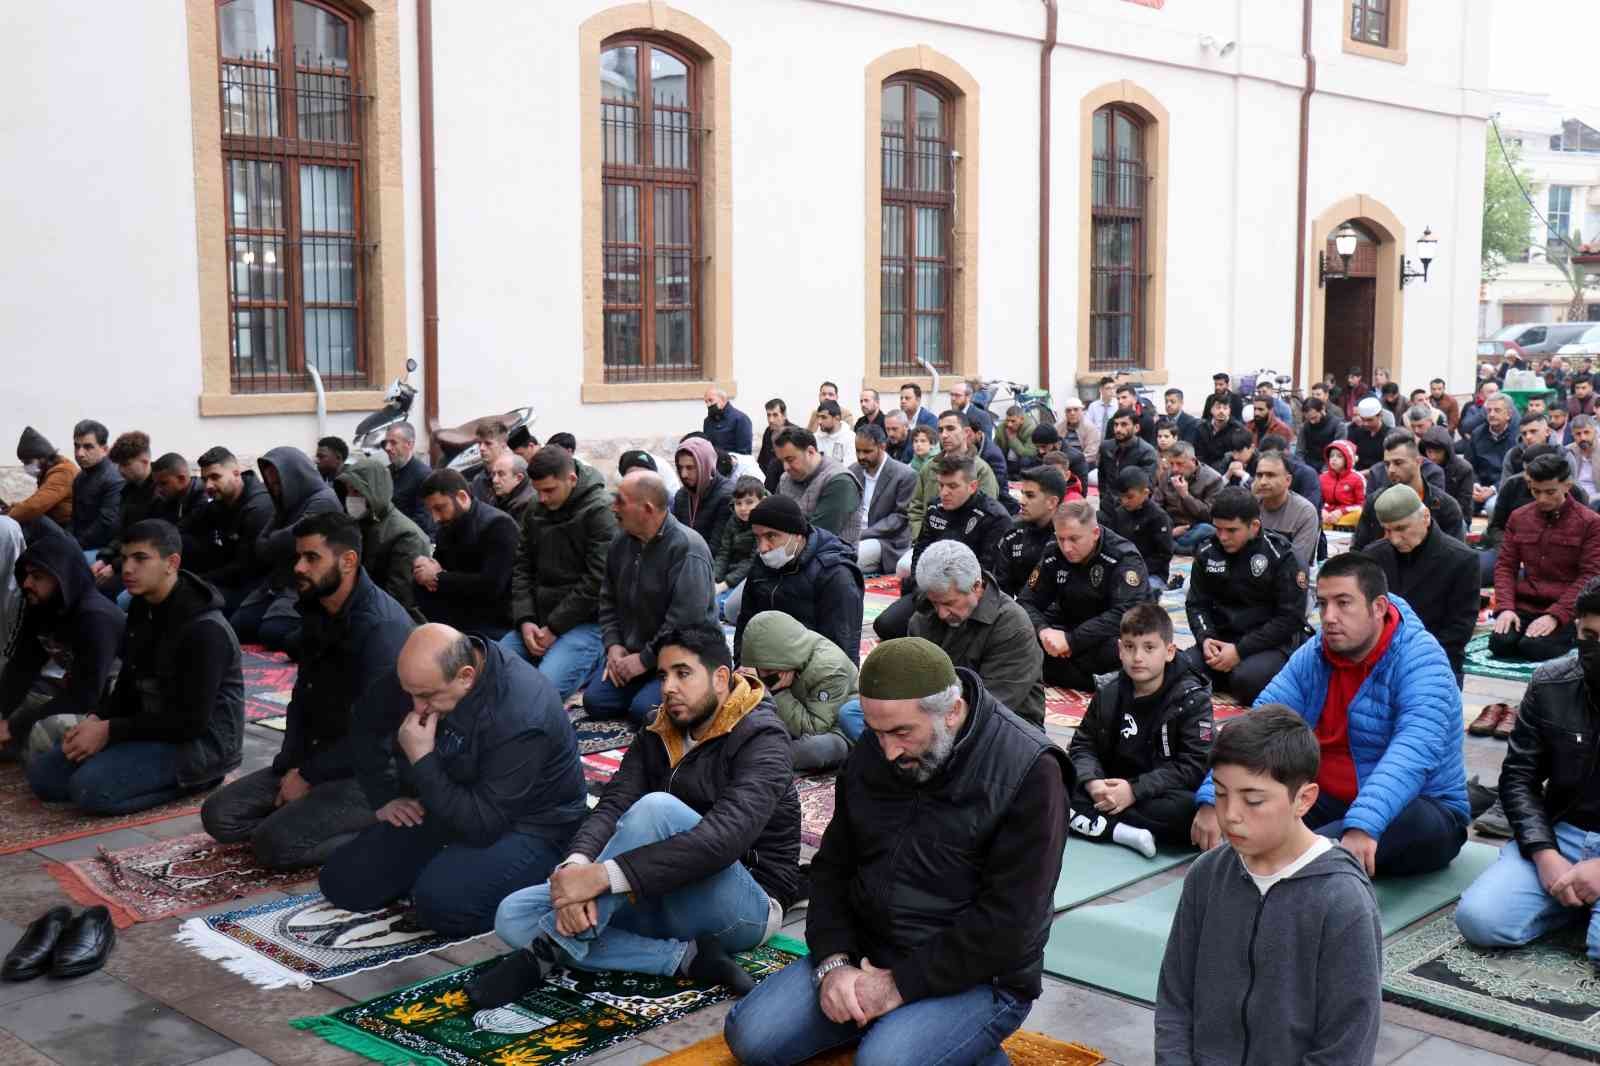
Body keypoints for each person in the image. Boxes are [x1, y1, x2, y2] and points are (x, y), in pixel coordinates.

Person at [722, 638, 1070, 1066]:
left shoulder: (1030, 771)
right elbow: (833, 868)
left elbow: (1010, 924)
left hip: (979, 977)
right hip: (871, 948)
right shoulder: (878, 748)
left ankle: (943, 1038)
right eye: (876, 732)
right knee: (752, 1036)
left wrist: (898, 986)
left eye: (902, 733)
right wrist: (834, 964)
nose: (887, 750)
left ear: (952, 712)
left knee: (883, 1061)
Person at [478, 624, 801, 1008]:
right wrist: (575, 869)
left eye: (683, 674)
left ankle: (546, 952)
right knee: (513, 914)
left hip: (742, 905)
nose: (668, 688)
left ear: (719, 678)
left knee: (655, 809)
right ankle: (685, 959)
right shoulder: (660, 725)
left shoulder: (762, 738)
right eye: (663, 675)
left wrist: (601, 877)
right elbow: (613, 803)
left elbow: (722, 840)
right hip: (659, 884)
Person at [1191, 552, 1470, 877]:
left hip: (1417, 806)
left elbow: (1411, 754)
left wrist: (1364, 825)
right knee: (1231, 820)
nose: (1329, 616)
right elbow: (1261, 724)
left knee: (1296, 855)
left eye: (1343, 603)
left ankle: (1313, 856)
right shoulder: (1316, 652)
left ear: (1377, 608)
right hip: (1326, 798)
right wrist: (1215, 797)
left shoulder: (1421, 661)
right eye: (1323, 604)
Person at [324, 625, 586, 938]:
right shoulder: (426, 674)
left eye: (425, 697)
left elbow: (482, 823)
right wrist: (384, 797)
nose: (417, 707)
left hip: (532, 823)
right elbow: (365, 719)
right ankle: (446, 864)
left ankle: (539, 874)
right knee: (343, 882)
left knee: (440, 905)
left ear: (465, 676)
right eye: (411, 693)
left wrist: (422, 759)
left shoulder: (521, 713)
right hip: (454, 796)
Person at [1156, 705, 1382, 1066]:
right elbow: (1175, 999)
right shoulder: (1207, 874)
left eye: (1254, 799)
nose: (1230, 814)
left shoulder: (1341, 899)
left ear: (1303, 800)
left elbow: (1347, 1041)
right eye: (1221, 793)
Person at [201, 512, 413, 867]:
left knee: (274, 845)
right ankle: (308, 819)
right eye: (298, 556)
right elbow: (303, 696)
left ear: (348, 562)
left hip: (371, 772)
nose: (299, 567)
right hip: (319, 757)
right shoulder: (319, 608)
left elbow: (379, 733)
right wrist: (292, 765)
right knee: (219, 814)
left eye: (312, 558)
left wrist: (310, 776)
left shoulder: (381, 629)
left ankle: (391, 831)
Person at [26, 520, 243, 814]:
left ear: (171, 563)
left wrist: (110, 731)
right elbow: (128, 681)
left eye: (140, 558)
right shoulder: (143, 607)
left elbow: (191, 721)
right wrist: (96, 718)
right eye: (125, 558)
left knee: (89, 790)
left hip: (200, 743)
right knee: (45, 778)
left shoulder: (205, 629)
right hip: (150, 725)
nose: (127, 568)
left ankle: (197, 781)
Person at [1455, 577, 1600, 964]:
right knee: (1480, 920)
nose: (1596, 648)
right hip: (1562, 832)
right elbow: (1519, 778)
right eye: (1590, 635)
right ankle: (1575, 898)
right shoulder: (1551, 683)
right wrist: (1543, 854)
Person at [1068, 604, 1212, 856]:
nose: (1137, 657)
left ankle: (1093, 820)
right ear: (1119, 650)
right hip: (1110, 784)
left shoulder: (1191, 698)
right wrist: (1092, 783)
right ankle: (1120, 832)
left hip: (1156, 792)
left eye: (1149, 647)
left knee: (1187, 811)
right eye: (1129, 646)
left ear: (1169, 651)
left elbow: (1195, 766)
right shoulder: (1108, 690)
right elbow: (1082, 744)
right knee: (1052, 779)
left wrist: (1134, 791)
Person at [589, 471, 717, 724]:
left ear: (646, 508)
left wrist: (645, 660)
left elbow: (685, 621)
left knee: (643, 713)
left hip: (684, 656)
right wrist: (614, 646)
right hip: (635, 654)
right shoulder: (621, 543)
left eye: (621, 501)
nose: (613, 507)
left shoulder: (687, 547)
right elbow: (607, 599)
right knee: (595, 702)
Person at [504, 445, 617, 701]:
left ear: (572, 479)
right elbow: (522, 567)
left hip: (586, 622)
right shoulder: (536, 507)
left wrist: (554, 627)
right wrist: (525, 619)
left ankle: (594, 658)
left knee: (540, 693)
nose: (542, 498)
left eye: (549, 490)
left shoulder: (601, 511)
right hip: (539, 621)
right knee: (490, 673)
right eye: (538, 491)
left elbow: (597, 581)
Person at [0, 529, 123, 761]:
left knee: (42, 735)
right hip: (69, 688)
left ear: (61, 577)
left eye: (37, 576)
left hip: (107, 704)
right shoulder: (41, 605)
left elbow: (86, 695)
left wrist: (15, 726)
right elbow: (23, 665)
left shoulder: (95, 618)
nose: (26, 584)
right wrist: (3, 715)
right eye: (26, 576)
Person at [897, 540, 1046, 728]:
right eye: (935, 603)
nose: (942, 613)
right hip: (936, 716)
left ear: (976, 587)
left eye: (950, 603)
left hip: (1002, 727)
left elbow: (991, 706)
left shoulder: (1013, 626)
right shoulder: (924, 617)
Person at [1183, 487, 1307, 705]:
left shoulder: (1282, 556)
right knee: (1181, 669)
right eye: (1218, 529)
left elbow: (1290, 619)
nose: (1222, 537)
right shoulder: (1207, 553)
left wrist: (1240, 651)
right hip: (1222, 637)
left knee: (1246, 682)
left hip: (1268, 642)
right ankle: (1221, 670)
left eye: (1231, 530)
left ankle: (1232, 673)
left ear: (1254, 526)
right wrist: (1206, 639)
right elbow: (1196, 604)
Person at [874, 454, 1010, 641]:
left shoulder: (994, 517)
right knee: (885, 625)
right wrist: (924, 589)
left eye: (952, 486)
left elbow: (990, 574)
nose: (944, 492)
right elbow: (920, 553)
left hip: (967, 597)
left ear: (972, 486)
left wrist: (951, 597)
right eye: (941, 485)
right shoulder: (934, 508)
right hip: (930, 590)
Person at [1019, 500, 1151, 690]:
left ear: (1095, 533)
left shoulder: (1123, 557)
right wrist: (1044, 631)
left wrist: (1073, 641)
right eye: (1061, 539)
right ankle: (1101, 681)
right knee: (1018, 638)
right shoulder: (1054, 551)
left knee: (1127, 650)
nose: (1066, 547)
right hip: (1067, 627)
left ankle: (1101, 679)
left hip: (1107, 635)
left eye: (1074, 539)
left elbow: (1126, 613)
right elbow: (1026, 601)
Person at [1361, 485, 1479, 684]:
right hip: (1378, 661)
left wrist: (1409, 658)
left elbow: (1458, 630)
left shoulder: (1461, 560)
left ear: (1425, 516)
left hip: (1436, 663)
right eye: (1387, 530)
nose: (1395, 539)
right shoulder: (1373, 556)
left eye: (1401, 528)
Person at [1491, 452, 1600, 663]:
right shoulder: (1519, 517)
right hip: (1525, 604)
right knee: (1500, 644)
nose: (1542, 499)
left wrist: (1557, 615)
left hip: (1567, 607)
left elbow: (1590, 576)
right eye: (1535, 491)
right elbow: (1505, 566)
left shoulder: (1590, 522)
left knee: (1534, 648)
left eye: (1550, 492)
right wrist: (1505, 608)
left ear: (1567, 486)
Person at [231, 447, 341, 652]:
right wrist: (275, 542)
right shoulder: (287, 502)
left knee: (273, 633)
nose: (275, 489)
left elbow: (291, 541)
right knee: (239, 626)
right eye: (271, 485)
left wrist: (274, 541)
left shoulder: (323, 500)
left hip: (305, 583)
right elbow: (262, 547)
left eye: (278, 483)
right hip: (279, 582)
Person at [735, 495, 865, 667]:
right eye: (757, 538)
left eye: (771, 536)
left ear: (797, 535)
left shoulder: (835, 575)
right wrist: (742, 666)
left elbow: (840, 653)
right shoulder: (764, 561)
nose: (762, 547)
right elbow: (746, 623)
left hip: (813, 674)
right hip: (770, 666)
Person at [738, 610, 855, 772]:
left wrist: (779, 693)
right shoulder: (784, 651)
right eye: (760, 669)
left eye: (769, 672)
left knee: (811, 750)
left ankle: (758, 757)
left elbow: (815, 728)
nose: (764, 676)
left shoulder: (830, 670)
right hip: (795, 716)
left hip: (838, 729)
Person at [409, 468, 518, 639]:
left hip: (492, 622)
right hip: (455, 615)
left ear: (462, 497)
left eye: (440, 508)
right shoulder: (448, 525)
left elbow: (491, 585)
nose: (436, 518)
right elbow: (440, 567)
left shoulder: (498, 525)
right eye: (431, 511)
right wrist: (425, 568)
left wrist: (439, 577)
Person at [334, 455, 431, 617]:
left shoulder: (406, 536)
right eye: (348, 491)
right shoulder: (359, 523)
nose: (350, 498)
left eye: (357, 491)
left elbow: (398, 599)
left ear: (374, 492)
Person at [182, 447, 275, 611]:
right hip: (229, 571)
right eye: (204, 479)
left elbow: (246, 568)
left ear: (236, 473)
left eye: (215, 477)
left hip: (256, 585)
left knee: (190, 598)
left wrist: (198, 580)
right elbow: (186, 526)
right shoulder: (222, 500)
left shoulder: (259, 508)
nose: (208, 485)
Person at [1350, 432, 1465, 550]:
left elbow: (1457, 556)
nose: (1391, 470)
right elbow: (1358, 550)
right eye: (1387, 464)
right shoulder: (1374, 502)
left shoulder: (1445, 506)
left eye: (1398, 463)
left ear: (1418, 462)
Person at [772, 426, 864, 546]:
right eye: (782, 461)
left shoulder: (840, 481)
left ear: (810, 451)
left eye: (790, 459)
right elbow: (772, 518)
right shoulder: (785, 478)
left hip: (831, 559)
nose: (786, 467)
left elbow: (818, 536)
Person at [849, 425, 916, 578]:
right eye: (857, 451)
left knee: (846, 560)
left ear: (882, 446)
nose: (861, 456)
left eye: (867, 451)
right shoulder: (853, 470)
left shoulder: (905, 475)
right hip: (852, 536)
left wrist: (863, 534)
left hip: (886, 541)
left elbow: (900, 518)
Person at [994, 465, 1066, 598]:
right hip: (1020, 612)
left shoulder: (1070, 537)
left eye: (1030, 496)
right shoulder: (1013, 533)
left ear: (1052, 502)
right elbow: (1001, 588)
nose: (1021, 501)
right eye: (1022, 494)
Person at [1100, 467, 1173, 593]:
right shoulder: (1119, 513)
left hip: (1151, 573)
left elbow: (1164, 555)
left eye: (1130, 497)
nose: (1124, 501)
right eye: (1121, 497)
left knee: (1135, 594)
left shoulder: (1158, 517)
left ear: (1145, 493)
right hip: (1122, 569)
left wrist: (1135, 569)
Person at [1250, 450, 1319, 569]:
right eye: (1259, 475)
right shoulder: (1249, 505)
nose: (1263, 482)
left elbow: (1297, 563)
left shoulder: (1305, 512)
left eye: (1270, 475)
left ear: (1288, 480)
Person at [65, 420, 123, 557]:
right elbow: (74, 519)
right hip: (79, 544)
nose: (80, 453)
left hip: (102, 550)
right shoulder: (80, 477)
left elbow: (106, 525)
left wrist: (73, 546)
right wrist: (65, 540)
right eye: (76, 446)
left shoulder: (114, 478)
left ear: (104, 449)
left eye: (88, 447)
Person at [1155, 441, 1223, 556]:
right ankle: (1178, 547)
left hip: (1194, 529)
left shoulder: (1213, 479)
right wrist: (1169, 530)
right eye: (1171, 464)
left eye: (1179, 464)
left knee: (1207, 529)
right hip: (1170, 529)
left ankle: (1171, 546)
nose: (1175, 469)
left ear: (1193, 460)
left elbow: (1209, 515)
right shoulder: (1167, 476)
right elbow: (1156, 507)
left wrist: (1185, 495)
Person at [672, 435, 734, 552]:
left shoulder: (726, 496)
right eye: (680, 467)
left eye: (690, 467)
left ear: (705, 465)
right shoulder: (681, 495)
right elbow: (676, 537)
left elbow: (717, 548)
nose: (684, 474)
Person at [3, 428, 76, 527]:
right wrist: (12, 508)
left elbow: (36, 505)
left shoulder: (63, 472)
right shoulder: (49, 470)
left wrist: (6, 519)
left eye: (28, 462)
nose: (26, 467)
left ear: (42, 458)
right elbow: (36, 500)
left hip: (68, 527)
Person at [714, 476, 764, 601]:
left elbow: (752, 562)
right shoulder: (733, 520)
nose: (743, 508)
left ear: (761, 501)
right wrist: (714, 578)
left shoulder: (763, 526)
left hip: (747, 579)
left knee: (714, 606)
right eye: (738, 503)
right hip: (730, 574)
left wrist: (725, 584)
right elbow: (724, 552)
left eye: (749, 502)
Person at [381, 422, 435, 536]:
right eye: (386, 443)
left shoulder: (424, 476)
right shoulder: (386, 472)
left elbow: (423, 521)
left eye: (393, 443)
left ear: (409, 444)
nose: (387, 448)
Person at [1466, 394, 1516, 512]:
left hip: (1504, 488)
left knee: (1492, 507)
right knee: (1459, 504)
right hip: (1479, 488)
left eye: (1497, 410)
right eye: (1489, 410)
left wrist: (1493, 489)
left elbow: (1515, 472)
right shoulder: (1477, 434)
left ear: (1509, 415)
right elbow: (1469, 465)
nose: (1492, 414)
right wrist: (1475, 484)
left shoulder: (1518, 436)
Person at [1421, 424, 1477, 522]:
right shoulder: (1421, 467)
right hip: (1427, 517)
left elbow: (1463, 505)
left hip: (1458, 518)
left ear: (1446, 451)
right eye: (1429, 452)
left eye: (1437, 452)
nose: (1433, 456)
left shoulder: (1464, 469)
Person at [1097, 409, 1159, 490]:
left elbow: (1146, 486)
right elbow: (1102, 477)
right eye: (1116, 424)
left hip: (1132, 500)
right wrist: (1104, 498)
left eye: (1124, 424)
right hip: (1109, 499)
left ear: (1136, 428)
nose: (1118, 429)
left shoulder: (1146, 452)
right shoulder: (1106, 447)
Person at [1193, 395, 1246, 474]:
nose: (1221, 411)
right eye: (1218, 407)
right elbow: (1198, 454)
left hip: (1229, 471)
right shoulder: (1201, 428)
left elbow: (1237, 455)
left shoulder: (1237, 428)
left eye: (1225, 408)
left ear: (1229, 410)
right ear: (1211, 410)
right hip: (1204, 470)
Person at [1499, 410, 1553, 487]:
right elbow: (1504, 491)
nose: (1528, 437)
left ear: (1547, 432)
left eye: (1533, 431)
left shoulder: (1561, 453)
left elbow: (1571, 490)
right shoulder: (1512, 455)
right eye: (1524, 433)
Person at [1320, 438, 1365, 525]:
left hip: (1347, 514)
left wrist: (1341, 511)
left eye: (1339, 456)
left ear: (1348, 459)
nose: (1334, 459)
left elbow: (1362, 505)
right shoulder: (1322, 477)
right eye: (1331, 456)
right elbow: (1318, 501)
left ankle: (1332, 527)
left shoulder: (1358, 478)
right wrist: (1323, 511)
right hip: (1327, 514)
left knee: (1359, 514)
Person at [702, 386, 754, 455]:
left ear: (723, 399)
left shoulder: (741, 419)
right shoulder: (707, 421)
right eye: (706, 402)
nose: (708, 405)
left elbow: (744, 452)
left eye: (711, 400)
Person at [487, 451, 535, 524]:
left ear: (519, 478)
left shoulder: (526, 504)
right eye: (493, 474)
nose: (494, 480)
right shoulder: (497, 497)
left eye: (501, 474)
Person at [758, 398, 795, 492]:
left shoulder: (793, 433)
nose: (771, 420)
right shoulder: (768, 432)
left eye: (775, 415)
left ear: (784, 415)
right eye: (768, 415)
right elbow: (762, 460)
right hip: (768, 479)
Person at [1344, 397, 1389, 471]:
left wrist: (1367, 472)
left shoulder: (1390, 435)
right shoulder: (1357, 432)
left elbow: (1386, 463)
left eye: (1369, 420)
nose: (1365, 424)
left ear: (1380, 416)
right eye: (1363, 419)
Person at [1295, 398, 1340, 472]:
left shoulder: (1337, 425)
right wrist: (1303, 469)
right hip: (1309, 464)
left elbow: (1339, 452)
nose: (1312, 422)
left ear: (1322, 409)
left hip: (1330, 465)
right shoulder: (1305, 426)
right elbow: (1299, 451)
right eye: (1309, 419)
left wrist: (1325, 471)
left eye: (1314, 417)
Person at [1054, 395, 1102, 464]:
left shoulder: (1091, 428)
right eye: (1069, 410)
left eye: (1076, 410)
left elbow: (1091, 454)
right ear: (1065, 413)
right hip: (1061, 463)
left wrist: (1073, 461)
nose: (1072, 413)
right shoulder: (1058, 426)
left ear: (1082, 411)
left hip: (1083, 462)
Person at [947, 379, 995, 443]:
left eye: (957, 395)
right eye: (951, 395)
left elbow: (986, 444)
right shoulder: (948, 416)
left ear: (968, 397)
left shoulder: (982, 416)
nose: (953, 399)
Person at [811, 400, 855, 466]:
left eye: (823, 417)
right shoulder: (814, 438)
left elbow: (850, 466)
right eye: (818, 417)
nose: (819, 421)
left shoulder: (851, 438)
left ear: (837, 418)